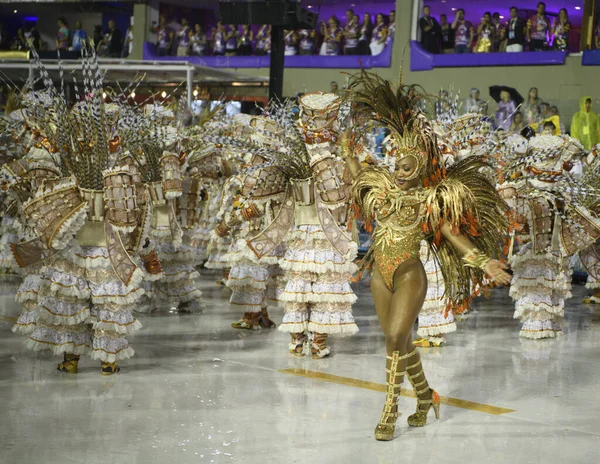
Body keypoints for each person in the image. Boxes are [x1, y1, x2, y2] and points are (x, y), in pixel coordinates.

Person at [345, 71, 511, 442]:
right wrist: (347, 151)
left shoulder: (428, 201)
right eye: (396, 166)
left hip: (408, 276)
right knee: (398, 341)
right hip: (380, 276)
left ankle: (390, 410)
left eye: (407, 168)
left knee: (396, 336)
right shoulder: (380, 192)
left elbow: (455, 237)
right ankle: (426, 396)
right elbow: (357, 177)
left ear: (419, 169)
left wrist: (485, 262)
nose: (400, 173)